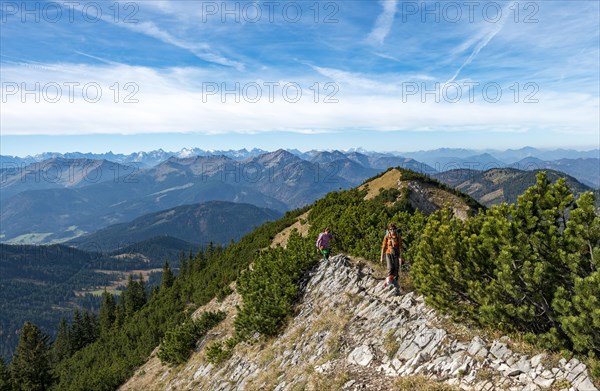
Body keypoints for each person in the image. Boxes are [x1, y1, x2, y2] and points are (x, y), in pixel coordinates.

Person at [380, 223, 402, 287]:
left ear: (395, 230)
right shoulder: (386, 236)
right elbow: (383, 247)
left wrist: (400, 257)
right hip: (388, 253)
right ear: (388, 230)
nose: (392, 230)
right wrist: (381, 257)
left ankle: (395, 284)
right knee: (390, 268)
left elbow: (400, 247)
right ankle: (388, 283)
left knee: (396, 269)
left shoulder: (398, 236)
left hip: (396, 254)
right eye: (390, 229)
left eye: (393, 229)